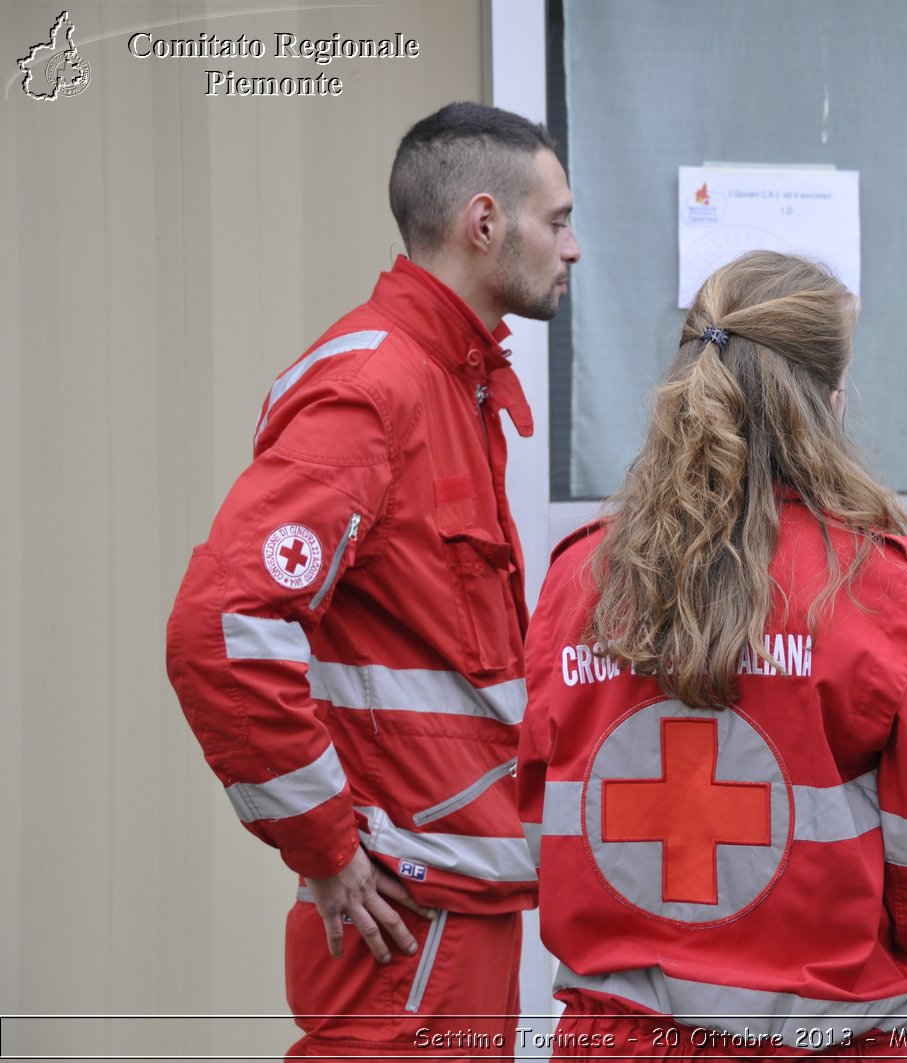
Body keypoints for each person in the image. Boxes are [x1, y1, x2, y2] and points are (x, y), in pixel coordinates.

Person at [165, 101, 579, 1058]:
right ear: (486, 223)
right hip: (407, 929)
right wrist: (329, 845)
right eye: (556, 220)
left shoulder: (448, 380)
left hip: (448, 911)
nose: (573, 247)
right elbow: (223, 623)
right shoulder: (376, 389)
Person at [517, 251, 907, 1060]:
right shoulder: (889, 591)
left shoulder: (578, 578)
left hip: (613, 1039)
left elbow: (542, 817)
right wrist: (897, 1001)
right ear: (830, 401)